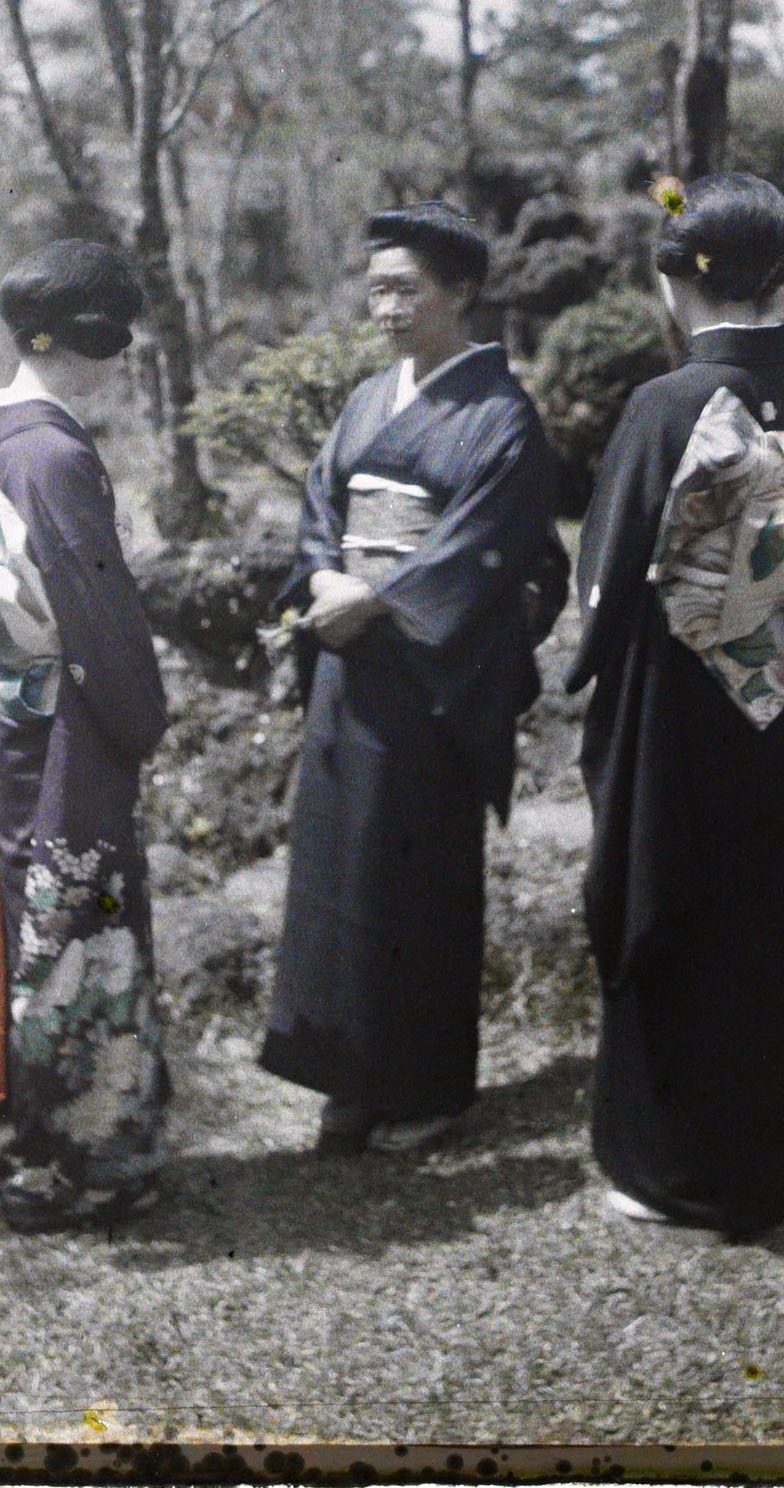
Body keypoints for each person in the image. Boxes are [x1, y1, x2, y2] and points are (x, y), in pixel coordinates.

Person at [565, 173, 784, 1241]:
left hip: (679, 716)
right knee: (760, 930)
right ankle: (755, 1166)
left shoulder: (665, 408)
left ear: (677, 286)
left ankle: (665, 1170)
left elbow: (604, 583)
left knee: (669, 912)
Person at [259, 201, 562, 1155]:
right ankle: (345, 1079)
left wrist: (382, 601)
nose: (386, 308)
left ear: (462, 292)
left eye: (406, 288)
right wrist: (321, 575)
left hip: (432, 674)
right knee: (336, 872)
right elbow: (321, 500)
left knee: (416, 877)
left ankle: (426, 1088)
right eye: (376, 289)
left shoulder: (501, 416)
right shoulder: (364, 400)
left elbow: (485, 546)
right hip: (348, 659)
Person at [0, 238, 170, 1232]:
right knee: (80, 917)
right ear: (95, 337)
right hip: (69, 718)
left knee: (42, 911)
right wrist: (141, 714)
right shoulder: (56, 452)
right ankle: (86, 1161)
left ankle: (44, 1143)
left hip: (13, 707)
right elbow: (98, 618)